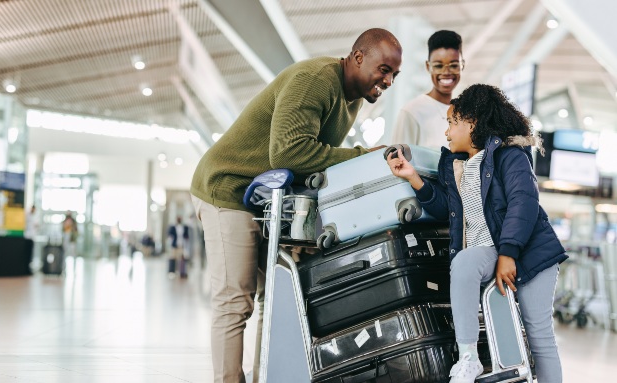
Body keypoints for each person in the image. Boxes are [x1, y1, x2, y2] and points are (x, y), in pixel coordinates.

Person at [190, 28, 403, 383]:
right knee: (235, 299)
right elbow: (289, 152)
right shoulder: (316, 80)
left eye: (394, 74)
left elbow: (312, 163)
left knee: (275, 298)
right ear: (358, 57)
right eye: (384, 69)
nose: (388, 80)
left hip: (267, 200)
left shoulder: (351, 99)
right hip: (229, 188)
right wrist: (363, 156)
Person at [386, 84, 567, 383]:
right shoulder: (457, 166)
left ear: (471, 123)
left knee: (538, 333)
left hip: (531, 253)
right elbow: (448, 209)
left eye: (451, 123)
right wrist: (413, 177)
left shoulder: (511, 155)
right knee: (465, 262)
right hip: (490, 250)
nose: (446, 132)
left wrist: (509, 253)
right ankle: (468, 358)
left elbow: (524, 202)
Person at [391, 30, 463, 150]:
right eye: (438, 66)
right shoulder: (412, 112)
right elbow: (397, 163)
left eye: (454, 65)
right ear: (428, 66)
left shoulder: (465, 113)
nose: (446, 72)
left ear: (462, 65)